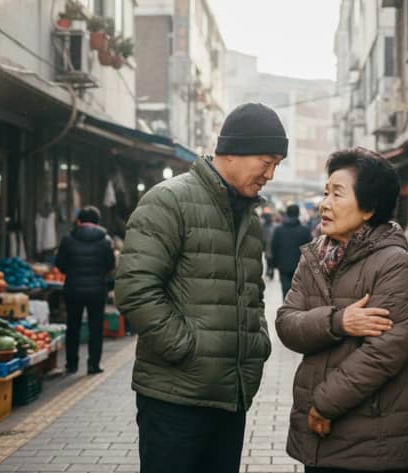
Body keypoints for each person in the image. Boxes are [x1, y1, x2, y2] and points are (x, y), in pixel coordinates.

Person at [115, 102, 284, 473]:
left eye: (276, 165)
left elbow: (252, 295)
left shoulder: (249, 219)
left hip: (230, 397)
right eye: (267, 162)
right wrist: (185, 348)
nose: (270, 174)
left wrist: (257, 345)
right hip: (175, 398)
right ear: (236, 150)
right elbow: (134, 288)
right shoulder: (169, 200)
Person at [276, 147, 408, 473]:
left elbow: (384, 352)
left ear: (369, 207)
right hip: (320, 438)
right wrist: (338, 321)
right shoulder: (314, 258)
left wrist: (324, 405)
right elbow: (287, 324)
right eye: (325, 192)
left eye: (337, 194)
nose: (324, 204)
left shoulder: (394, 264)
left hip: (375, 439)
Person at [55, 205, 115, 375]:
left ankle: (72, 364)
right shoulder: (106, 240)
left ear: (79, 221)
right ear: (97, 222)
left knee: (73, 325)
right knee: (96, 327)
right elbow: (111, 265)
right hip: (97, 289)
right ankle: (93, 364)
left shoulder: (68, 239)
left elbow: (60, 264)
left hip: (73, 288)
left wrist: (72, 272)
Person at [271, 204, 313, 298]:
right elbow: (310, 248)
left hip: (283, 266)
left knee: (285, 291)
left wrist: (274, 263)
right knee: (299, 292)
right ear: (298, 214)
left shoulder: (279, 230)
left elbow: (274, 247)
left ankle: (286, 309)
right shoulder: (304, 230)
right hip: (300, 266)